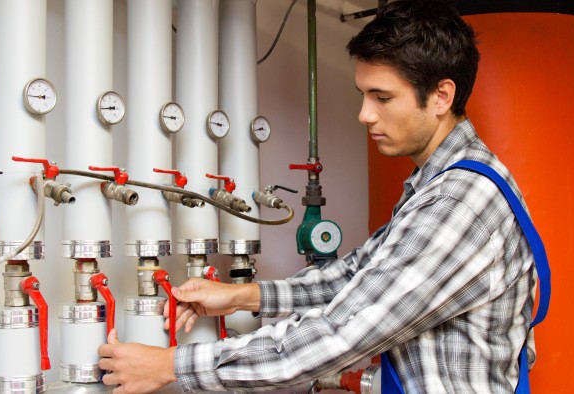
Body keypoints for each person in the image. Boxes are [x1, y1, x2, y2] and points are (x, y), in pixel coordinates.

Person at [99, 0, 537, 392]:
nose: (365, 114)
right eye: (363, 94)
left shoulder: (460, 202)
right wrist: (242, 296)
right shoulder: (436, 184)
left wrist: (171, 365)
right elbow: (356, 279)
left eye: (382, 97)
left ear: (442, 95)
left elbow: (342, 333)